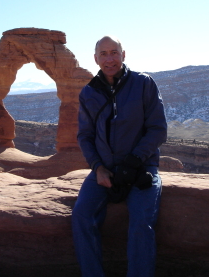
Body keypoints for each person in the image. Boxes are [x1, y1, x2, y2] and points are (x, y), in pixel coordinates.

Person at [72, 35, 167, 277]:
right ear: (95, 59)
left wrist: (133, 162)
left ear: (123, 55)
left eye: (114, 52)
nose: (109, 58)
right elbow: (85, 136)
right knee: (82, 215)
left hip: (141, 166)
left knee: (140, 224)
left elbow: (158, 129)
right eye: (103, 54)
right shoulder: (89, 93)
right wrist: (97, 167)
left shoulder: (143, 83)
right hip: (104, 169)